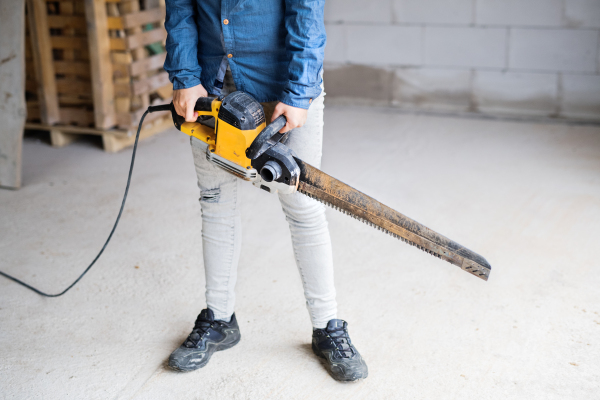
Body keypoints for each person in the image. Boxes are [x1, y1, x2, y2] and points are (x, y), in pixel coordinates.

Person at [163, 0, 368, 381]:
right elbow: (180, 9)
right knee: (215, 202)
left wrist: (299, 91)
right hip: (211, 87)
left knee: (303, 207)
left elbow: (306, 14)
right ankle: (219, 319)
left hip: (283, 87)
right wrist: (185, 77)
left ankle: (328, 327)